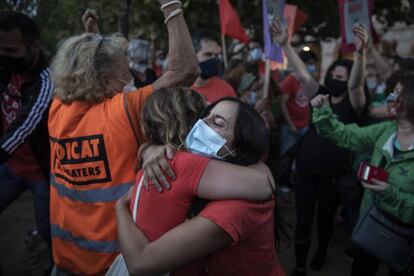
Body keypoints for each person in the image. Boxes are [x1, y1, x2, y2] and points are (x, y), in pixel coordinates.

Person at [48, 2, 199, 275]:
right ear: (103, 78)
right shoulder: (123, 109)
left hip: (66, 260)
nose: (130, 75)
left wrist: (93, 38)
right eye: (123, 69)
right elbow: (185, 70)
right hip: (116, 263)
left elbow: (85, 71)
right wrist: (171, 6)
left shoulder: (57, 108)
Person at [116, 94, 285, 276]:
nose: (202, 124)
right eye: (205, 116)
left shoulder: (236, 206)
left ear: (239, 146)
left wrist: (119, 207)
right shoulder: (233, 175)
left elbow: (141, 264)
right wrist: (148, 149)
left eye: (218, 123)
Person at [271, 20, 368, 276]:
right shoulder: (320, 93)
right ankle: (300, 266)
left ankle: (322, 251)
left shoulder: (355, 104)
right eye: (334, 75)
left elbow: (357, 85)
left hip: (333, 178)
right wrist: (285, 45)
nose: (337, 80)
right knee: (303, 220)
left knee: (324, 223)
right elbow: (302, 74)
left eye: (342, 77)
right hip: (305, 172)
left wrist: (360, 54)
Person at [311, 73, 414, 276]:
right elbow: (345, 135)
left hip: (406, 234)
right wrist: (322, 111)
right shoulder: (386, 131)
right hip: (371, 222)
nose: (391, 96)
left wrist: (390, 193)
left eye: (398, 93)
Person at [0, 11, 53, 246]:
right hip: (11, 167)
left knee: (48, 231)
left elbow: (27, 122)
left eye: (11, 51)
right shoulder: (5, 71)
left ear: (34, 46)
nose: (4, 56)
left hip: (42, 172)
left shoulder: (47, 78)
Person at [279, 50, 319, 156]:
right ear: (301, 63)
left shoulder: (311, 80)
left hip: (305, 125)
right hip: (290, 127)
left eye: (314, 64)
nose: (313, 67)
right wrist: (291, 124)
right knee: (287, 155)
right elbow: (282, 104)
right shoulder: (290, 80)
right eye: (310, 63)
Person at [191, 34, 237, 104]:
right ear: (193, 56)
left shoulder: (226, 90)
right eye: (208, 54)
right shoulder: (178, 91)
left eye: (216, 55)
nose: (214, 59)